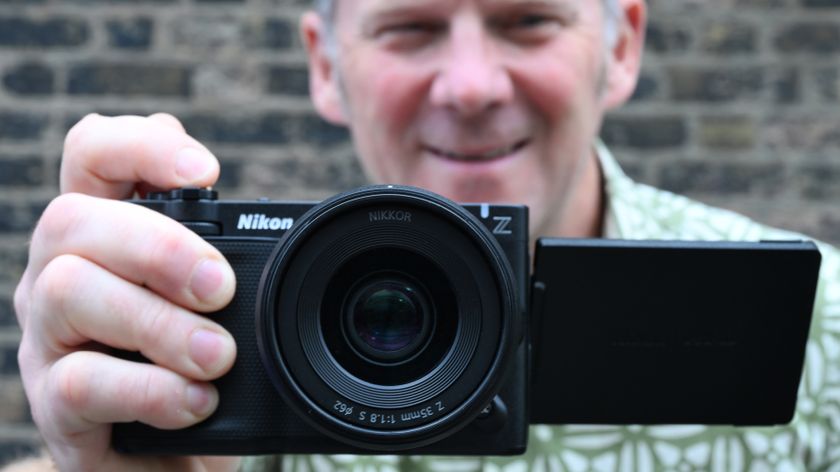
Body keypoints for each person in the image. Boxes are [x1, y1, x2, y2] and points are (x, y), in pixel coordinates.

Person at [9, 0, 840, 470]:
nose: (472, 86)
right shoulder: (219, 309)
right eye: (409, 26)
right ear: (326, 65)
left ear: (621, 45)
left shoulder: (824, 323)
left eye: (529, 20)